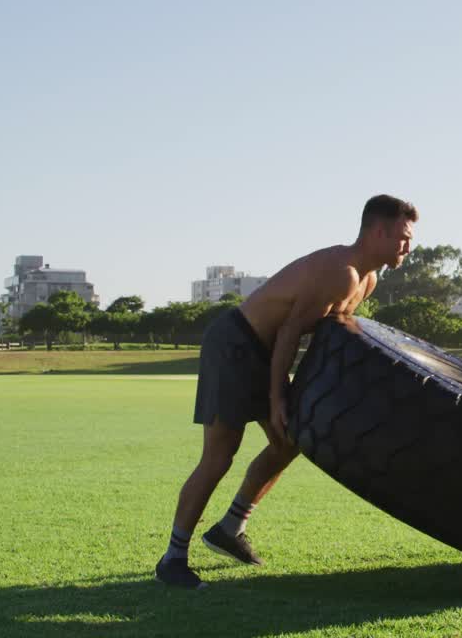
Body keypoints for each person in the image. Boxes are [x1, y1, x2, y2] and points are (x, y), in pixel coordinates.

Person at [155, 194, 417, 589]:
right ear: (378, 231)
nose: (408, 247)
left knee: (289, 440)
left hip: (265, 352)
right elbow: (290, 331)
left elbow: (327, 336)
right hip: (236, 343)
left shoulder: (368, 280)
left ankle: (230, 528)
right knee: (220, 454)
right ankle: (173, 558)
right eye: (403, 237)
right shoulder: (342, 271)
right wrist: (279, 398)